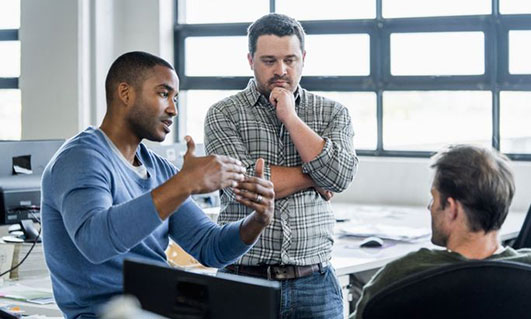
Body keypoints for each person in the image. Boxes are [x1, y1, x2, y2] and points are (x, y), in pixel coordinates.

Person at [41, 51, 275, 319]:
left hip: (159, 309)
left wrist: (258, 219)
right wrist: (184, 183)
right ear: (125, 94)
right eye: (164, 94)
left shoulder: (159, 169)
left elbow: (210, 247)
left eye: (175, 98)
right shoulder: (80, 158)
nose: (173, 109)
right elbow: (95, 242)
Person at [204, 13, 358, 318]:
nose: (281, 70)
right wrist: (314, 175)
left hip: (314, 282)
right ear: (250, 60)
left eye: (290, 59)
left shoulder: (332, 113)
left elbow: (339, 176)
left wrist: (291, 117)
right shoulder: (223, 114)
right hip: (243, 281)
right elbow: (245, 187)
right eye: (269, 60)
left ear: (303, 58)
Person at [351, 144, 531, 318]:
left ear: (452, 209)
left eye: (434, 198)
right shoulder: (525, 269)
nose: (430, 207)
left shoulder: (400, 276)